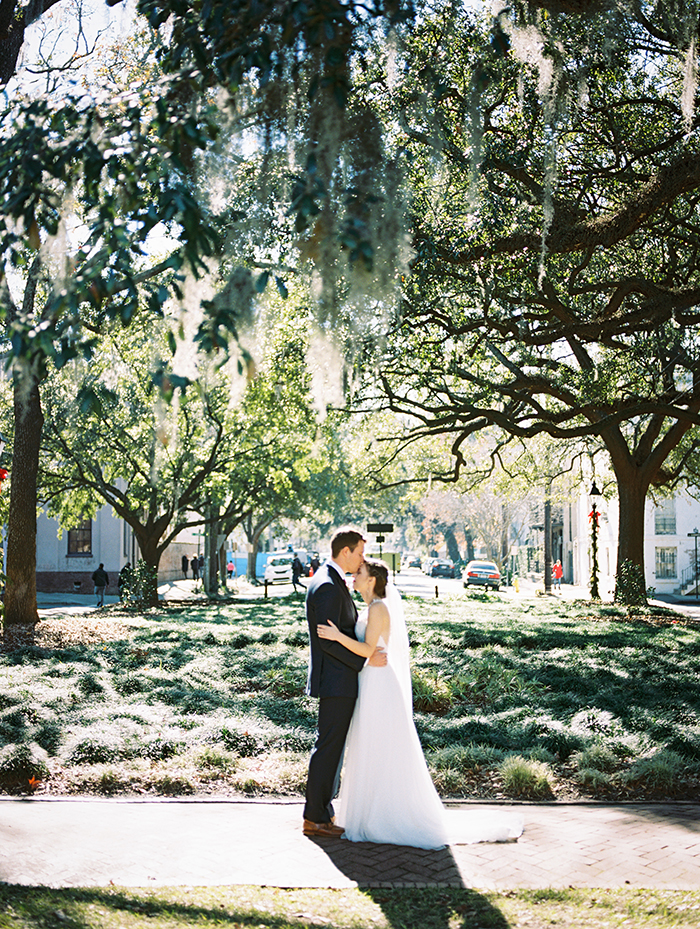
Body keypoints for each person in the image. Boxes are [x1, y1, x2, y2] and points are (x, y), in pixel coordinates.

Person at [317, 558, 524, 849]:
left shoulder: (378, 609)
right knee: (369, 747)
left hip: (379, 684)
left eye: (360, 572)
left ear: (372, 580)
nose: (354, 576)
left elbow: (367, 649)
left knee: (381, 747)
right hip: (369, 680)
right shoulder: (368, 608)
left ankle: (384, 816)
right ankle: (369, 812)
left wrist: (337, 637)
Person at [303, 527, 387, 838]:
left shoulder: (332, 580)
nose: (363, 559)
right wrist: (364, 661)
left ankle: (322, 811)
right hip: (336, 681)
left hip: (339, 680)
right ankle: (314, 817)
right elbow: (329, 642)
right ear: (346, 552)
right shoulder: (326, 585)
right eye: (360, 552)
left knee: (331, 748)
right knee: (328, 748)